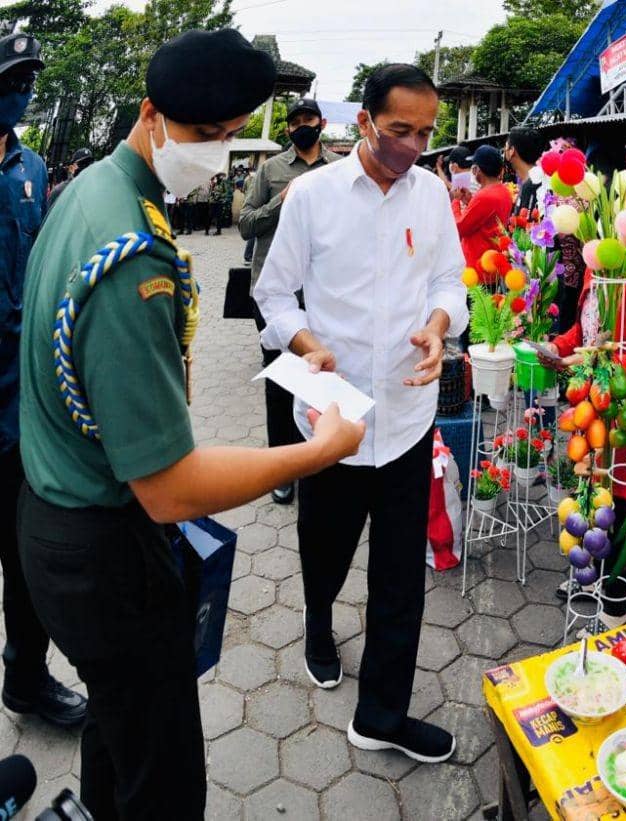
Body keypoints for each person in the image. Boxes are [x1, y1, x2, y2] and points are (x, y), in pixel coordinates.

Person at [17, 30, 365, 819]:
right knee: (166, 778)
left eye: (234, 132)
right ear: (152, 115)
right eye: (208, 136)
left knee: (119, 729)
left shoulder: (95, 189)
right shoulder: (131, 252)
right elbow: (171, 489)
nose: (221, 151)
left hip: (59, 517)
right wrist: (314, 452)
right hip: (104, 546)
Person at [254, 62, 467, 763]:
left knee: (400, 575)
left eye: (425, 132)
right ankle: (318, 622)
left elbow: (447, 280)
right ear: (365, 121)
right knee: (325, 544)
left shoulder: (432, 195)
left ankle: (380, 714)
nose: (412, 144)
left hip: (407, 414)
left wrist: (438, 325)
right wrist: (310, 345)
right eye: (400, 129)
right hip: (333, 418)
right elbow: (275, 296)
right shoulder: (312, 197)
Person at [0, 32, 87, 731]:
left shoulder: (31, 168)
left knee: (25, 561)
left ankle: (26, 679)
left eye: (27, 78)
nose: (20, 91)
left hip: (23, 407)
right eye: (9, 77)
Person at [543, 187, 626, 629]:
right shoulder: (600, 268)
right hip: (595, 407)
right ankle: (589, 576)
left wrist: (601, 362)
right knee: (591, 492)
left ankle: (616, 599)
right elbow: (586, 332)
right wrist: (558, 347)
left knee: (622, 503)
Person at [240, 97, 337, 505]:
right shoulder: (271, 170)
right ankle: (282, 466)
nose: (302, 125)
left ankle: (323, 456)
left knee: (325, 374)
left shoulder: (338, 169)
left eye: (308, 119)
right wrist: (284, 200)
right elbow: (245, 224)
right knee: (280, 378)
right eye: (295, 121)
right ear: (287, 128)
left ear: (322, 123)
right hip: (276, 289)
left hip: (326, 289)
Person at [453, 144, 513, 283]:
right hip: (491, 266)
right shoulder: (503, 191)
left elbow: (459, 227)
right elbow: (485, 218)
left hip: (477, 271)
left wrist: (456, 202)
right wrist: (469, 200)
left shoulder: (484, 196)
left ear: (478, 170)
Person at [504, 126, 546, 214]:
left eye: (506, 147)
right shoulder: (540, 178)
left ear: (512, 151)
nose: (504, 151)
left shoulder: (531, 185)